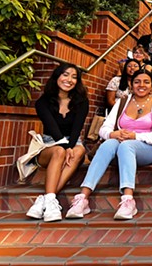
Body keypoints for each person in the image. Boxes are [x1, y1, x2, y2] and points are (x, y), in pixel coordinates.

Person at [66, 70, 152, 220]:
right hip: (119, 147)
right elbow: (104, 128)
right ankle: (83, 197)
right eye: (137, 82)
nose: (141, 85)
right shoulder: (122, 102)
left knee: (127, 146)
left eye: (146, 82)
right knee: (108, 144)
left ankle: (128, 200)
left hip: (147, 149)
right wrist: (113, 134)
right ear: (130, 84)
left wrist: (135, 136)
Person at [26, 63, 89, 222]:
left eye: (74, 77)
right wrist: (65, 147)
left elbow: (76, 130)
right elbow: (53, 130)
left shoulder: (81, 101)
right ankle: (50, 199)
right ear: (57, 77)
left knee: (79, 151)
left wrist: (70, 146)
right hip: (48, 144)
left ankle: (47, 200)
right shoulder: (43, 102)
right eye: (65, 75)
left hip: (73, 141)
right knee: (60, 151)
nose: (69, 80)